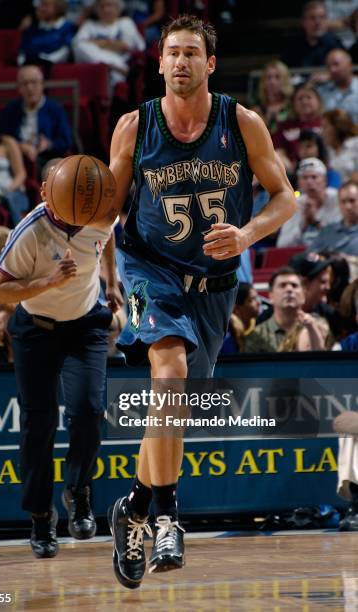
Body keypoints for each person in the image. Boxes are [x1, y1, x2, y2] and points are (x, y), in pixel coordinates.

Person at [107, 14, 296, 588]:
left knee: (174, 407)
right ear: (160, 62)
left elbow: (284, 198)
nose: (182, 61)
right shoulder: (133, 128)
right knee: (170, 368)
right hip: (146, 270)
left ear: (210, 64)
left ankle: (133, 509)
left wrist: (245, 236)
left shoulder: (241, 122)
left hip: (214, 282)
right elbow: (106, 211)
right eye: (173, 53)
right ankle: (167, 518)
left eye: (193, 52)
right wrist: (98, 268)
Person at [0, 160, 123, 559]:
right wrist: (49, 282)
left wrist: (112, 281)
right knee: (39, 425)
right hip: (36, 331)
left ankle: (78, 491)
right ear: (46, 192)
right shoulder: (31, 231)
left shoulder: (101, 212)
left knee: (89, 410)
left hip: (85, 327)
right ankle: (39, 518)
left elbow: (110, 234)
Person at [0, 65, 73, 178]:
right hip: (16, 157)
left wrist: (48, 144)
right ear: (18, 87)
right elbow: (2, 137)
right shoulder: (11, 110)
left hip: (45, 158)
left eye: (34, 82)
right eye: (25, 83)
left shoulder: (55, 109)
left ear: (42, 84)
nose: (29, 88)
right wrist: (19, 146)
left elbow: (66, 141)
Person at [243, 267, 325, 353]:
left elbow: (324, 362)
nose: (289, 289)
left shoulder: (319, 326)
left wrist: (312, 329)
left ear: (304, 295)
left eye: (294, 285)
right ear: (271, 296)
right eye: (282, 285)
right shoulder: (257, 335)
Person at [72, 0, 146, 92]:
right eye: (102, 6)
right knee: (80, 46)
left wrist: (97, 43)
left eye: (109, 5)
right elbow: (77, 44)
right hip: (98, 68)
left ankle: (113, 68)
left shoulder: (125, 22)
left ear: (118, 8)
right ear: (96, 10)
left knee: (113, 77)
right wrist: (111, 44)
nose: (106, 10)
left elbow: (125, 46)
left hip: (121, 63)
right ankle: (116, 66)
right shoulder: (89, 25)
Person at [277, 157, 340, 247]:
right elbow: (282, 245)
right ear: (299, 182)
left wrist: (316, 222)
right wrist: (304, 224)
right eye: (304, 178)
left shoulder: (337, 199)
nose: (309, 182)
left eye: (314, 177)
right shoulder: (295, 204)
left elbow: (341, 240)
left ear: (325, 180)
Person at [272, 84, 323, 173]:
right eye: (300, 98)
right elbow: (277, 151)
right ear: (293, 104)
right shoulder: (284, 126)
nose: (304, 102)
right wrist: (287, 165)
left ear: (318, 101)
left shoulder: (326, 123)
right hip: (292, 172)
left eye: (309, 97)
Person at [281, 0, 343, 68]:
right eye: (312, 18)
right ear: (303, 22)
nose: (317, 22)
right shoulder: (293, 47)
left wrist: (329, 75)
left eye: (322, 17)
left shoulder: (335, 44)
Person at [18, 0, 77, 68]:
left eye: (45, 5)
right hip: (30, 69)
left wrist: (43, 61)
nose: (39, 8)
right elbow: (22, 54)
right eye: (40, 4)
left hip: (55, 69)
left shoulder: (68, 28)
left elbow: (65, 51)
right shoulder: (31, 29)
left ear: (58, 8)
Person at [306, 180, 358, 255]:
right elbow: (309, 257)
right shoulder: (327, 231)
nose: (348, 206)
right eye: (343, 202)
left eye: (352, 201)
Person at [251, 60, 293, 135]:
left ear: (285, 80)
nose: (272, 81)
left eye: (277, 77)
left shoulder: (293, 105)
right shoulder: (257, 109)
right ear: (263, 81)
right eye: (268, 77)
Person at [317, 48, 358, 124]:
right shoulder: (321, 92)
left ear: (349, 65)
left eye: (336, 64)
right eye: (328, 66)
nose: (332, 70)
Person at [321, 109, 358, 184]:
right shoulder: (328, 150)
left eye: (325, 127)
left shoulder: (356, 144)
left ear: (337, 127)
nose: (322, 132)